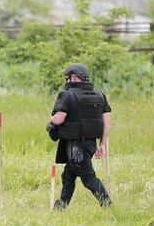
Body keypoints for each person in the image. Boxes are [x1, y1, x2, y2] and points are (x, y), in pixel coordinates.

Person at [46, 63, 112, 210]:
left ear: (75, 78)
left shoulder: (67, 95)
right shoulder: (100, 96)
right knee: (68, 176)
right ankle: (60, 208)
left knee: (89, 179)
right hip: (90, 145)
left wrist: (51, 121)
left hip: (75, 148)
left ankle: (108, 206)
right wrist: (102, 144)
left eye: (69, 78)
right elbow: (107, 122)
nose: (68, 81)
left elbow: (58, 119)